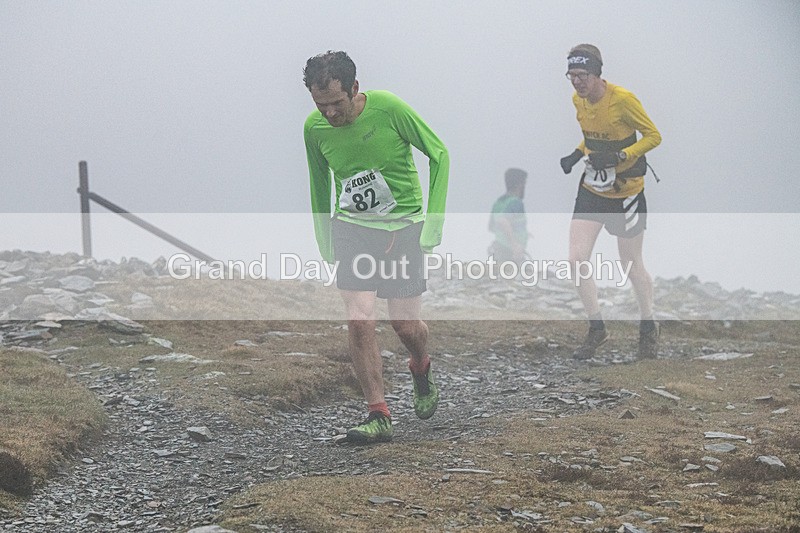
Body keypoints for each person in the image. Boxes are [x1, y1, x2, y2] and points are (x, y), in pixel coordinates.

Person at [302, 51, 449, 443]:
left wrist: (433, 222)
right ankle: (378, 413)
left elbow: (439, 154)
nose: (330, 114)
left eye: (336, 103)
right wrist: (325, 238)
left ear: (354, 89)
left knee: (405, 325)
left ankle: (420, 364)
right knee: (360, 316)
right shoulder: (314, 129)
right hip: (353, 228)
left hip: (404, 228)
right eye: (321, 105)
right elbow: (319, 183)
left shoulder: (389, 109)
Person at [559, 44, 662, 360]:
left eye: (582, 75)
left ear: (596, 73)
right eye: (571, 75)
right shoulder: (578, 100)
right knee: (576, 260)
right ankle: (597, 329)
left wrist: (620, 155)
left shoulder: (623, 100)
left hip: (626, 192)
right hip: (593, 190)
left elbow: (653, 136)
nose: (577, 82)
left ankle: (648, 324)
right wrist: (578, 153)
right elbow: (593, 135)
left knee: (631, 266)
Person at [488, 168, 529, 264]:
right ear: (519, 185)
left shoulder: (499, 202)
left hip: (499, 249)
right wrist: (514, 244)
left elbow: (491, 227)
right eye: (524, 184)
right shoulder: (515, 202)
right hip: (510, 253)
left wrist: (520, 231)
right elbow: (502, 220)